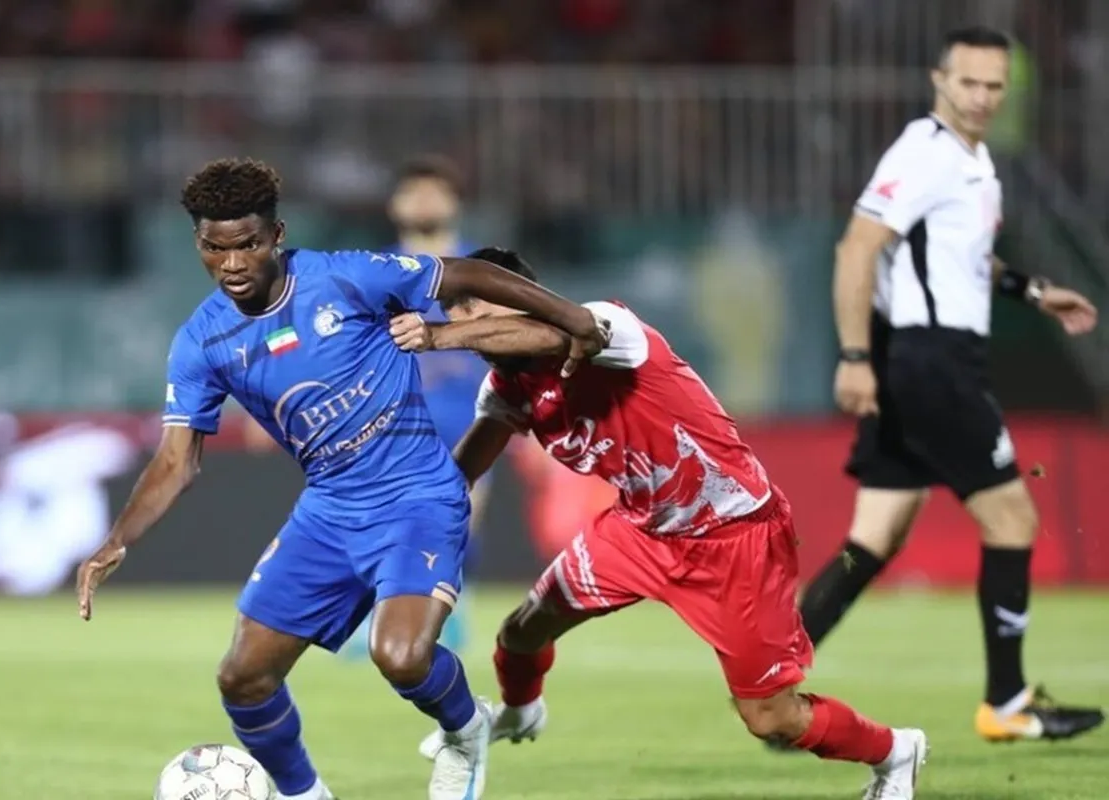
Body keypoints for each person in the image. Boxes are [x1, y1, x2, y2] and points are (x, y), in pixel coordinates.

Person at [73, 159, 607, 800]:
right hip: (328, 511)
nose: (233, 264)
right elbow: (176, 460)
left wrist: (573, 318)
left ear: (276, 235)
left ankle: (466, 731)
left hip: (417, 497)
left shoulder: (346, 277)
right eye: (216, 249)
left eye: (248, 245)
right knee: (243, 678)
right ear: (198, 244)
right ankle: (305, 795)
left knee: (401, 657)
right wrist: (117, 540)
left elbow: (466, 273)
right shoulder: (202, 342)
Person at [397, 247, 928, 800]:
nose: (470, 332)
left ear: (519, 300)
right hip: (640, 530)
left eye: (475, 313)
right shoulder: (508, 390)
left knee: (771, 718)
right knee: (521, 633)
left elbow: (559, 335)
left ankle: (895, 751)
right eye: (456, 315)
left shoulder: (610, 327)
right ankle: (520, 711)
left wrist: (437, 337)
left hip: (734, 536)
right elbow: (465, 469)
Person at [799, 25, 1104, 745]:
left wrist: (1033, 290)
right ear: (939, 80)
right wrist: (853, 355)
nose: (982, 97)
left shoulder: (973, 161)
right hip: (932, 364)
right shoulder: (926, 152)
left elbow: (962, 258)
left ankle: (767, 676)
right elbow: (857, 248)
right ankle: (1007, 703)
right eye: (968, 82)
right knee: (1013, 521)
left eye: (995, 86)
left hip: (923, 363)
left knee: (873, 536)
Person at [342, 155, 487, 658]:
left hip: (468, 416)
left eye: (435, 191)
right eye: (414, 191)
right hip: (388, 419)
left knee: (460, 517)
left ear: (455, 203)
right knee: (381, 517)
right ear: (394, 205)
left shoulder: (483, 271)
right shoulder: (369, 273)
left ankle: (450, 613)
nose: (424, 201)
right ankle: (377, 614)